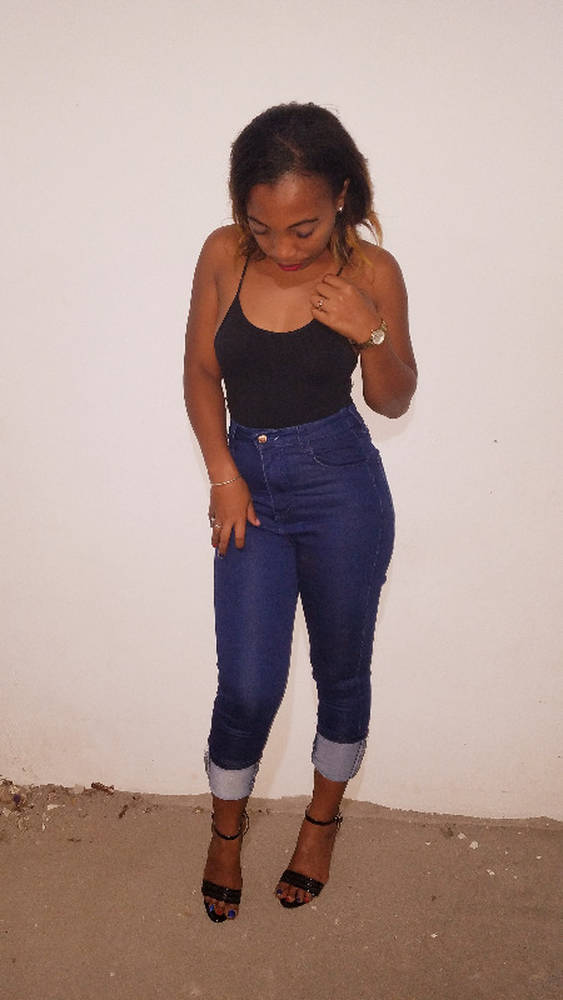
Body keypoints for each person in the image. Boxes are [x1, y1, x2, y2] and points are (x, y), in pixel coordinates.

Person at [184, 102, 417, 923]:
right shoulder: (222, 254)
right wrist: (222, 475)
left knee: (341, 671)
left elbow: (393, 400)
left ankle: (320, 824)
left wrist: (370, 331)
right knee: (248, 687)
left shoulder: (372, 271)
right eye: (263, 227)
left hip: (339, 484)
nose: (282, 248)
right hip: (247, 489)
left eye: (304, 229)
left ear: (342, 196)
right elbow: (199, 372)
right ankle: (225, 833)